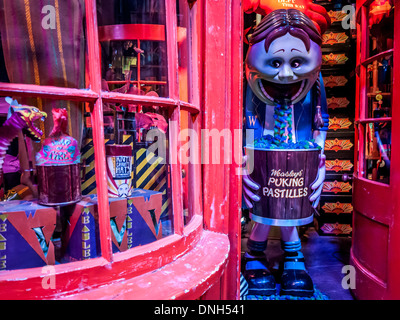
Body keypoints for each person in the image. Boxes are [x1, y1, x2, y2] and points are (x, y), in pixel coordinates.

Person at [242, 9, 329, 297]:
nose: (286, 74)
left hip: (300, 149)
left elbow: (321, 124)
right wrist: (240, 163)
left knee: (290, 199)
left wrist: (320, 162)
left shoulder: (315, 86)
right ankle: (262, 253)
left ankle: (283, 255)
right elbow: (237, 125)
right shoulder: (247, 88)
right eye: (276, 62)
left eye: (296, 62)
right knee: (266, 198)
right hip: (259, 150)